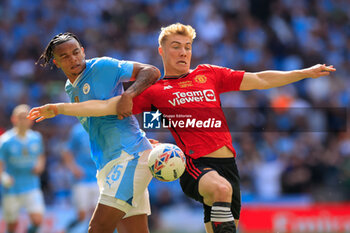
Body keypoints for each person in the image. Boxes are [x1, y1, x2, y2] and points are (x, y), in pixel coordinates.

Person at [28, 24, 336, 233]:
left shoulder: (210, 74)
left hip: (227, 163)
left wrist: (304, 73)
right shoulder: (156, 90)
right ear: (162, 51)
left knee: (223, 217)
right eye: (176, 47)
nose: (183, 52)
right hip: (194, 165)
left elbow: (260, 79)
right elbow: (110, 107)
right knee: (219, 189)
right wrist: (61, 108)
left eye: (187, 46)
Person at [35, 32, 161, 233]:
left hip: (129, 157)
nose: (73, 59)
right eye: (65, 56)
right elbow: (97, 114)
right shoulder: (70, 88)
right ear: (56, 63)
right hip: (107, 164)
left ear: (83, 51)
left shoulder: (102, 67)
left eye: (76, 52)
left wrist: (128, 94)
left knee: (97, 228)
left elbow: (152, 71)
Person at [0, 104, 46, 233]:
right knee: (11, 226)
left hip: (31, 185)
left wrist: (39, 166)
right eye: (20, 117)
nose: (24, 120)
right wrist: (3, 176)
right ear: (13, 119)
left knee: (37, 220)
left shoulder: (36, 138)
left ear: (31, 120)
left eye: (26, 117)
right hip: (12, 188)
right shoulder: (5, 141)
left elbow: (41, 156)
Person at [62, 123, 99, 232]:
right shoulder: (77, 130)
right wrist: (74, 168)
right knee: (82, 215)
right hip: (82, 179)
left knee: (97, 214)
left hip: (98, 178)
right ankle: (65, 229)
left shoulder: (101, 127)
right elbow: (66, 151)